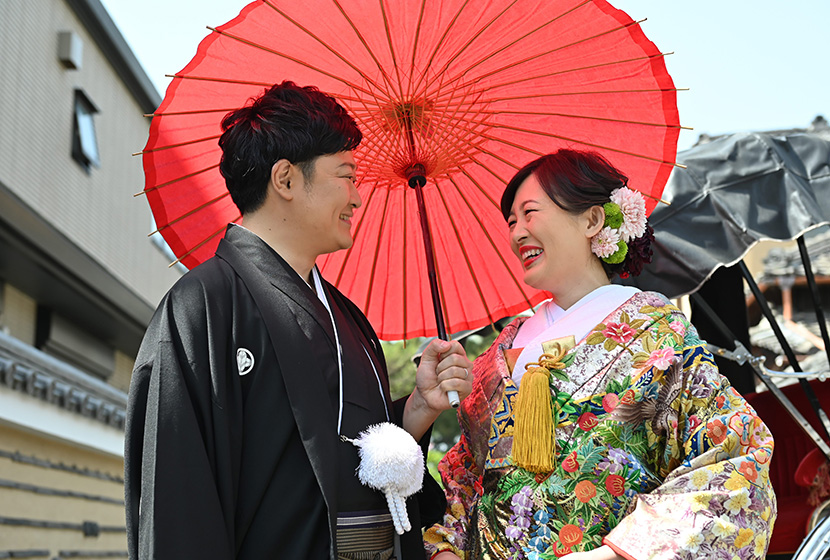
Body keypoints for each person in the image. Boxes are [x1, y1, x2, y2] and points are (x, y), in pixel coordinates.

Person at [124, 81, 473, 560]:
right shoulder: (204, 307)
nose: (357, 197)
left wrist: (416, 411)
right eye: (346, 175)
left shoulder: (347, 317)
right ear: (285, 180)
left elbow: (350, 457)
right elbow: (177, 500)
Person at [423, 149, 776, 559]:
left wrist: (614, 553)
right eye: (512, 221)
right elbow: (466, 477)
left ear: (592, 220)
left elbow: (735, 459)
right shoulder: (495, 357)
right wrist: (445, 546)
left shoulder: (657, 332)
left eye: (529, 213)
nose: (517, 232)